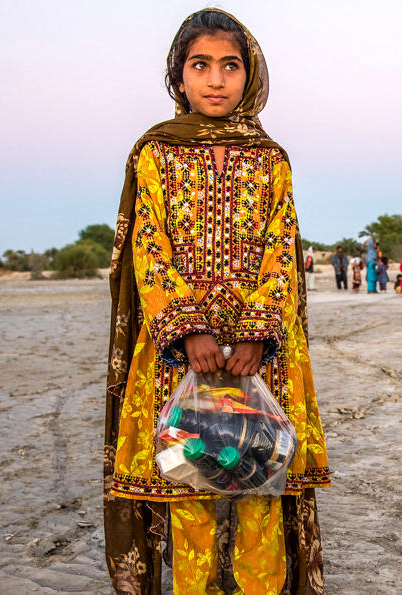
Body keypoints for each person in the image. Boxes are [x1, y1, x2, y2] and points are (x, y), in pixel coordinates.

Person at [104, 10, 330, 594]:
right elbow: (148, 250)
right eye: (200, 65)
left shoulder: (270, 157)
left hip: (258, 356)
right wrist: (190, 330)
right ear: (178, 76)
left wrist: (256, 333)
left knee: (259, 486)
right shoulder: (156, 152)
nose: (215, 80)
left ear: (248, 74)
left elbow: (280, 249)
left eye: (230, 66)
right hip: (184, 356)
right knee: (189, 488)